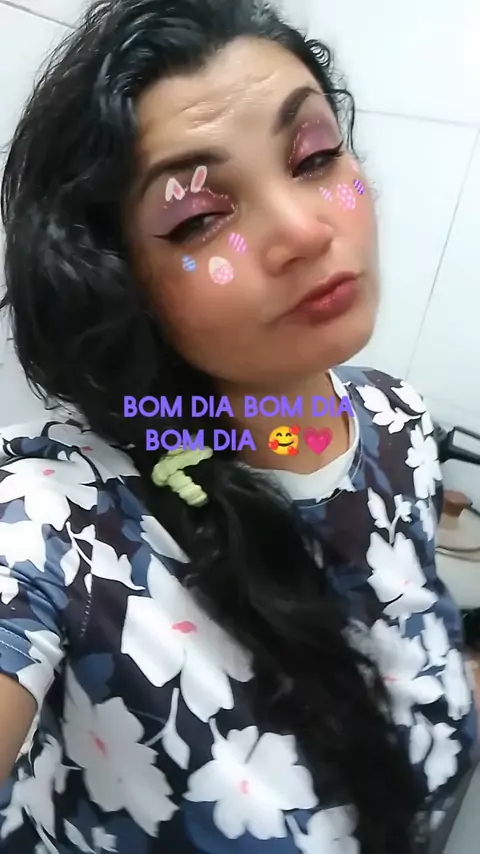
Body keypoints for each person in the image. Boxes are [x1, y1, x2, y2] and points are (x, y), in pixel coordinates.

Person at [0, 0, 477, 852]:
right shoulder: (57, 525)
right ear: (120, 283)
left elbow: (396, 645)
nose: (302, 230)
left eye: (316, 156)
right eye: (198, 218)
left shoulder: (397, 422)